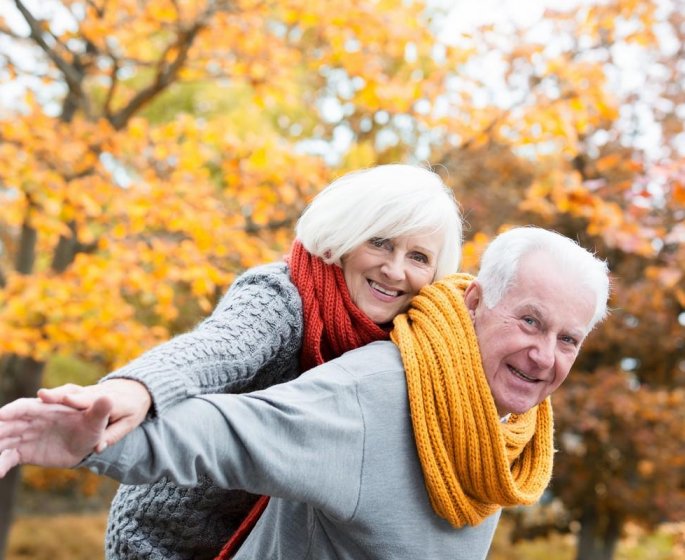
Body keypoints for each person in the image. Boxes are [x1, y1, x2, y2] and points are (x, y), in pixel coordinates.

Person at [0, 226, 610, 560]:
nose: (544, 356)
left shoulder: (499, 432)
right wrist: (81, 438)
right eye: (529, 321)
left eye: (568, 340)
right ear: (476, 301)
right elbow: (226, 431)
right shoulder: (378, 393)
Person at [32, 163, 463, 560]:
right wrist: (135, 387)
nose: (394, 269)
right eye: (380, 242)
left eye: (418, 257)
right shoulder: (283, 294)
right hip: (164, 543)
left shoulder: (406, 343)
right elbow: (220, 347)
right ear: (346, 238)